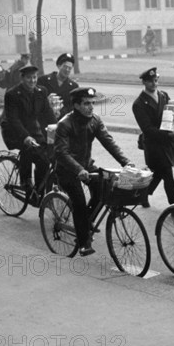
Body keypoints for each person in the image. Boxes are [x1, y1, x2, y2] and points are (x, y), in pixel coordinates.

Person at [54, 87, 134, 257]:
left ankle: (85, 223)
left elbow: (108, 142)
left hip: (86, 166)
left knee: (103, 190)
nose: (91, 107)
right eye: (86, 104)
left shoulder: (94, 120)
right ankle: (83, 243)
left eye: (92, 103)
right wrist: (78, 169)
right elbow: (61, 152)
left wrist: (126, 162)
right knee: (79, 203)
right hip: (67, 170)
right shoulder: (65, 124)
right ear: (76, 105)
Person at [1, 64, 57, 201]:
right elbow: (13, 119)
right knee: (30, 149)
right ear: (22, 78)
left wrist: (58, 127)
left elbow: (48, 113)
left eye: (34, 77)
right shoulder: (12, 94)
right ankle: (25, 182)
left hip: (33, 129)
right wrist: (25, 136)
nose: (32, 81)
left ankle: (37, 192)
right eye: (28, 78)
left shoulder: (41, 91)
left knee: (47, 156)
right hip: (14, 131)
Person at [132, 67, 174, 206]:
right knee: (167, 174)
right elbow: (148, 130)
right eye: (150, 82)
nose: (154, 84)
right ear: (143, 82)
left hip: (168, 144)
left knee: (158, 173)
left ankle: (142, 195)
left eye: (156, 80)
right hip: (154, 146)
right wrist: (169, 135)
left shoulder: (164, 95)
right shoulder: (138, 104)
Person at [38, 53, 79, 118]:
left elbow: (73, 107)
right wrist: (47, 101)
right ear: (59, 66)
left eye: (70, 68)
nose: (67, 70)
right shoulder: (43, 81)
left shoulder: (74, 87)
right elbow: (36, 101)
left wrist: (60, 112)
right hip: (44, 119)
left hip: (63, 122)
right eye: (65, 67)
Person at [0, 53, 31, 126]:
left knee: (10, 105)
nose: (27, 61)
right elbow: (17, 80)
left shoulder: (16, 64)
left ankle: (1, 121)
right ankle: (3, 121)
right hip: (14, 89)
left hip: (10, 88)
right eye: (27, 59)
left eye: (28, 60)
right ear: (23, 59)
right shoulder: (20, 67)